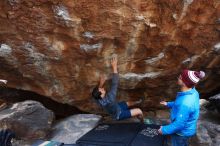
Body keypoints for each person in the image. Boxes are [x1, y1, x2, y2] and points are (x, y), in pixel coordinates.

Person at [158, 69, 205, 146]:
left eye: (180, 77)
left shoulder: (185, 103)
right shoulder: (193, 92)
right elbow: (179, 104)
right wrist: (168, 104)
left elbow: (179, 125)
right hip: (189, 128)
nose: (178, 77)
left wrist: (164, 130)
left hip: (182, 133)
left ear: (184, 82)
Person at [92, 56, 144, 121]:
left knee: (128, 103)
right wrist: (114, 67)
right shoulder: (110, 98)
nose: (102, 88)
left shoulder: (97, 99)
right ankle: (143, 121)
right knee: (139, 111)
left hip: (116, 107)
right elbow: (114, 84)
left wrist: (101, 83)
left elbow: (96, 94)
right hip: (119, 114)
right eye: (101, 90)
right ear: (101, 95)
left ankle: (138, 102)